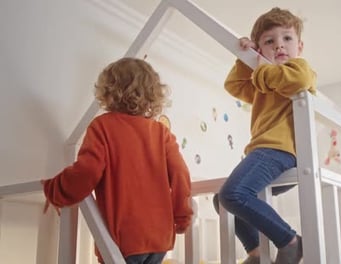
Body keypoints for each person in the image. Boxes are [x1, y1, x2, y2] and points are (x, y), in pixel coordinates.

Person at [41, 57, 193, 264]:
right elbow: (180, 174)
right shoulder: (161, 133)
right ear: (153, 93)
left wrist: (53, 188)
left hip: (124, 238)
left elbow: (87, 172)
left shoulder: (102, 126)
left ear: (109, 91)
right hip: (161, 238)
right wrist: (182, 216)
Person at [216, 7, 316, 264]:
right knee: (222, 200)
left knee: (232, 195)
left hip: (281, 150)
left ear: (300, 46)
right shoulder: (263, 85)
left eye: (287, 39)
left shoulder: (298, 68)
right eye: (269, 41)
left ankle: (290, 240)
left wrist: (261, 69)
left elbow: (300, 80)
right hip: (265, 153)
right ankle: (257, 253)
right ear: (260, 49)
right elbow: (234, 85)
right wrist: (246, 58)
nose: (279, 46)